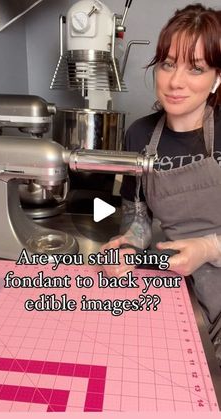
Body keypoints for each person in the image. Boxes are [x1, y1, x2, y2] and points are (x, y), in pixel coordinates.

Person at [102, 3, 221, 365]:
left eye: (196, 68)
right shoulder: (139, 134)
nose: (175, 82)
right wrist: (129, 245)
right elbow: (136, 215)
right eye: (168, 64)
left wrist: (207, 248)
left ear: (217, 77)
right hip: (176, 285)